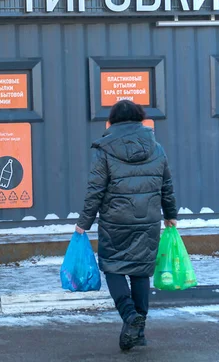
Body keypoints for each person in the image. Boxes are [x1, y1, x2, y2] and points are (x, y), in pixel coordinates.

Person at [75, 100, 177, 351]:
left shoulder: (105, 149)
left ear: (112, 121)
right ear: (140, 118)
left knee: (114, 268)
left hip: (115, 221)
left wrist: (83, 223)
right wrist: (171, 214)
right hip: (148, 220)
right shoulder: (156, 147)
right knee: (140, 271)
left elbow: (95, 190)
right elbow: (166, 185)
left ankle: (130, 316)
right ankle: (138, 332)